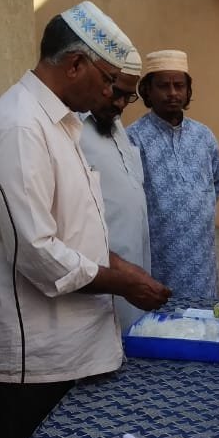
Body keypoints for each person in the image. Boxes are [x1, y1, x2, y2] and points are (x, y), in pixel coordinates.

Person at [0, 3, 170, 438]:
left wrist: (123, 269)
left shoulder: (61, 123)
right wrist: (122, 282)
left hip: (66, 352)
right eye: (110, 82)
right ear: (76, 65)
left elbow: (78, 230)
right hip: (26, 366)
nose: (112, 96)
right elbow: (38, 253)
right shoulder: (19, 125)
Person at [128, 50, 219, 299]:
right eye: (163, 86)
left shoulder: (204, 136)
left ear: (188, 90)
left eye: (179, 85)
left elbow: (218, 181)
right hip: (159, 257)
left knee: (204, 322)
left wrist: (193, 212)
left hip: (201, 256)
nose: (173, 93)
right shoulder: (133, 138)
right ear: (147, 90)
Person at [80, 52, 154, 329]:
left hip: (134, 261)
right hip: (99, 271)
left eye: (128, 96)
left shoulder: (115, 125)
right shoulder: (72, 128)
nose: (121, 103)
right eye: (117, 92)